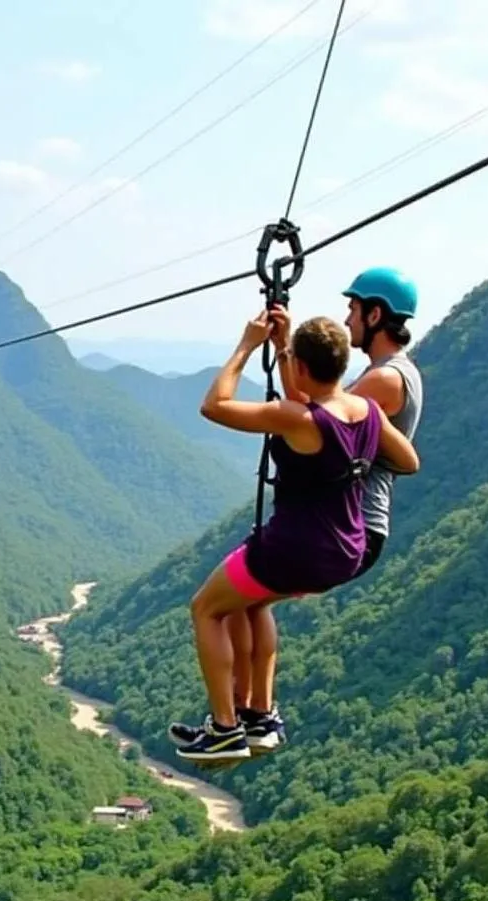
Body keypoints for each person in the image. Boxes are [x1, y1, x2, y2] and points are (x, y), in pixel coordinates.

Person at [169, 267, 423, 755]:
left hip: (300, 544)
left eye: (355, 308)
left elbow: (217, 405)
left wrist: (247, 345)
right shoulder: (364, 409)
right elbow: (407, 460)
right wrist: (358, 454)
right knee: (252, 600)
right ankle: (259, 717)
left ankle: (225, 728)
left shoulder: (306, 414)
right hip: (345, 544)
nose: (351, 315)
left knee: (206, 607)